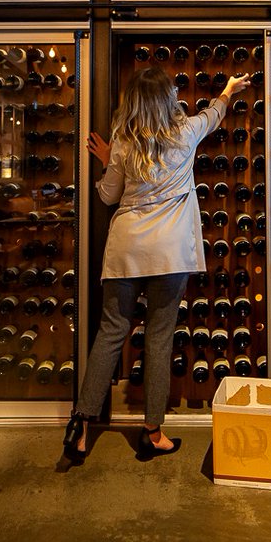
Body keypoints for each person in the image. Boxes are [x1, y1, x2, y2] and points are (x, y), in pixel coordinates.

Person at [62, 65, 250, 464]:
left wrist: (107, 162)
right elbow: (215, 113)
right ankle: (152, 433)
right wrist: (229, 90)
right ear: (168, 101)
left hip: (127, 249)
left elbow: (108, 197)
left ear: (132, 103)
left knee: (110, 333)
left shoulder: (122, 144)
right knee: (160, 339)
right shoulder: (185, 134)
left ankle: (80, 424)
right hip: (169, 252)